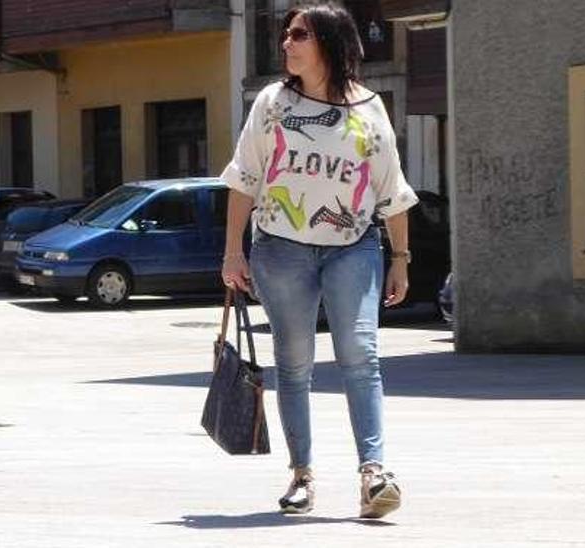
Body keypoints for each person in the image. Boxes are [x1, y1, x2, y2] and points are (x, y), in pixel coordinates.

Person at [219, 2, 417, 519]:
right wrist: (232, 249)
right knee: (295, 362)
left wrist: (400, 257)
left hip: (353, 246)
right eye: (286, 34)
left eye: (298, 34)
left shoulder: (369, 109)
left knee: (360, 353)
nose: (286, 43)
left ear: (328, 41)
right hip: (280, 246)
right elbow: (245, 178)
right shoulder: (272, 103)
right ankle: (302, 474)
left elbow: (390, 190)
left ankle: (374, 473)